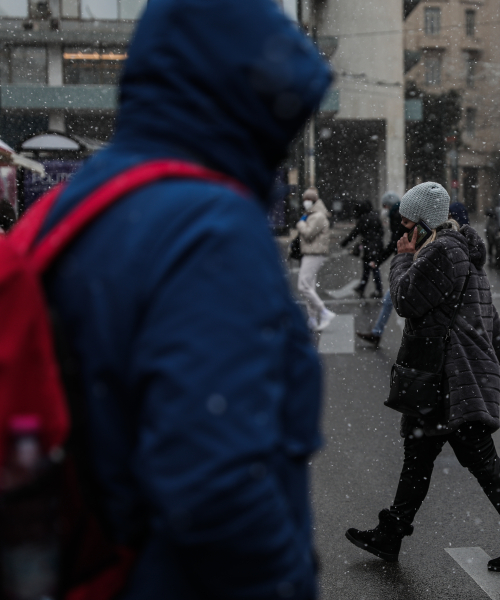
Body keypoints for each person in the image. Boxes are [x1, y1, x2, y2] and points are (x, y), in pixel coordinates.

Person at [37, 1, 330, 598]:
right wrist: (285, 581)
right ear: (248, 102)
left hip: (90, 565)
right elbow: (216, 487)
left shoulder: (80, 201)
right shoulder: (209, 225)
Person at [345, 182, 500, 574]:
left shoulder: (442, 253)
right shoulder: (453, 249)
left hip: (454, 379)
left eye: (407, 222)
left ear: (425, 221)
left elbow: (406, 300)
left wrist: (401, 260)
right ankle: (391, 534)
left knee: (481, 461)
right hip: (444, 377)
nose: (401, 229)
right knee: (418, 457)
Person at [357, 191, 404, 347]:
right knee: (388, 301)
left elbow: (394, 242)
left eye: (385, 205)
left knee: (398, 304)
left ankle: (416, 344)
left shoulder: (396, 215)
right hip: (405, 262)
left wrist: (378, 260)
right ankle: (376, 333)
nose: (384, 209)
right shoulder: (400, 213)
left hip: (405, 262)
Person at [297, 187, 336, 331]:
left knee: (303, 286)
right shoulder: (311, 214)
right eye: (304, 200)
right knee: (309, 287)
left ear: (313, 201)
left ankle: (324, 312)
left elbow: (308, 233)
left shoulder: (318, 216)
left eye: (307, 200)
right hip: (311, 253)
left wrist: (300, 224)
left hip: (314, 254)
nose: (305, 203)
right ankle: (312, 319)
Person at [341, 201, 385, 299]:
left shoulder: (363, 219)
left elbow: (355, 233)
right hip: (376, 246)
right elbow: (382, 232)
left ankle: (375, 289)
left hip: (368, 246)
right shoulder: (375, 217)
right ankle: (366, 287)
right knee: (372, 267)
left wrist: (345, 242)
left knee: (370, 268)